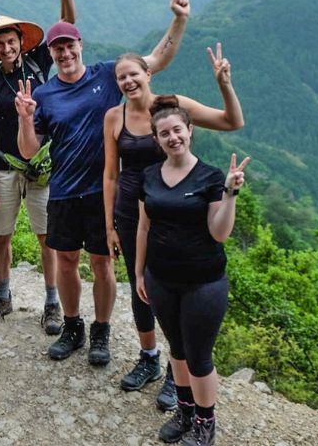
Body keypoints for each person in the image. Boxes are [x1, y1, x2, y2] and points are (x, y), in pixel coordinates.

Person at [14, 0, 190, 366]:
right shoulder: (44, 94)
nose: (65, 53)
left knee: (101, 263)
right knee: (65, 261)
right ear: (51, 53)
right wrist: (26, 118)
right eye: (58, 49)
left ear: (80, 45)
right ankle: (72, 327)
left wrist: (179, 20)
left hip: (103, 191)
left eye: (69, 46)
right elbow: (28, 151)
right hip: (63, 190)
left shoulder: (107, 75)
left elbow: (156, 60)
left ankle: (101, 331)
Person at [103, 46, 243, 408]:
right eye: (121, 77)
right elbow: (110, 174)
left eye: (134, 73)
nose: (128, 81)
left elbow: (231, 121)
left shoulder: (172, 107)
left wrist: (224, 84)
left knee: (175, 288)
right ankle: (148, 358)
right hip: (133, 213)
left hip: (177, 213)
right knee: (142, 288)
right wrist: (109, 224)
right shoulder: (114, 117)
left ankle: (174, 369)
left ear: (149, 73)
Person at [135, 98, 250, 446]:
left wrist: (230, 193)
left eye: (177, 130)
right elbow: (143, 227)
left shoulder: (210, 177)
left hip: (203, 282)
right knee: (177, 349)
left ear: (190, 130)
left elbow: (220, 232)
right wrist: (139, 274)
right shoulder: (149, 176)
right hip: (161, 278)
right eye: (164, 133)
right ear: (156, 139)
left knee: (199, 356)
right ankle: (184, 411)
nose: (172, 137)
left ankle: (205, 423)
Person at [0, 0, 75, 333]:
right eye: (0, 44)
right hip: (4, 168)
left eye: (11, 41)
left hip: (42, 168)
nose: (6, 48)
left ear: (20, 41)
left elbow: (67, 29)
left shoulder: (39, 65)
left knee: (46, 237)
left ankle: (52, 303)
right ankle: (3, 296)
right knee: (3, 236)